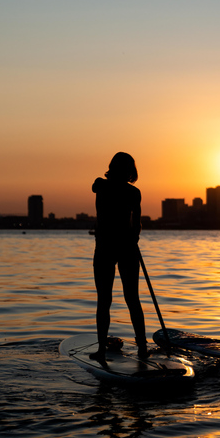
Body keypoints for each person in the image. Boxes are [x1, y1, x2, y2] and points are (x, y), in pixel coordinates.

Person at [90, 152, 148, 361]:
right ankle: (142, 347)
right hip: (126, 246)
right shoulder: (134, 192)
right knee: (132, 298)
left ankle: (101, 350)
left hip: (107, 246)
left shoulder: (102, 185)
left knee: (104, 300)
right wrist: (133, 238)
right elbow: (137, 224)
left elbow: (97, 185)